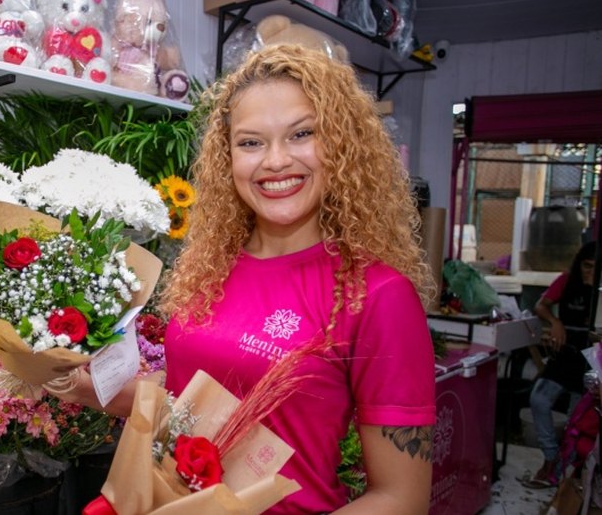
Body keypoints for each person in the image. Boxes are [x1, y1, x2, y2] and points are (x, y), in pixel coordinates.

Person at [56, 45, 437, 513]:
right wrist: (82, 386)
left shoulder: (378, 294)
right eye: (251, 142)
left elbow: (401, 498)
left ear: (341, 143)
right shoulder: (210, 267)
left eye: (301, 134)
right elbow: (186, 410)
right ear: (227, 157)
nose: (275, 161)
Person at [522, 240, 597, 489]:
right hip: (566, 352)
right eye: (586, 266)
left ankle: (569, 470)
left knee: (577, 418)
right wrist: (555, 322)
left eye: (595, 268)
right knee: (539, 399)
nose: (590, 272)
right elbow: (540, 305)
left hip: (592, 358)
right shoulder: (567, 281)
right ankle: (551, 457)